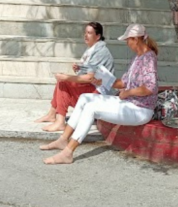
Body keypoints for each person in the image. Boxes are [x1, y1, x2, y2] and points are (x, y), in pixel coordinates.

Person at [40, 23, 159, 165]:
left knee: (91, 108)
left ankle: (68, 153)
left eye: (128, 40)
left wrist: (128, 93)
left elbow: (150, 87)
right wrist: (101, 81)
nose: (127, 43)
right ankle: (63, 139)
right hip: (129, 103)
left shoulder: (148, 58)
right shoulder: (137, 58)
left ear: (136, 39)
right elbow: (122, 83)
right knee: (85, 98)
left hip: (140, 109)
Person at [35, 22, 115, 132]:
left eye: (90, 33)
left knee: (63, 82)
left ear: (98, 36)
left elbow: (90, 78)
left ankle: (60, 122)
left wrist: (67, 78)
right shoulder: (93, 49)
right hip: (92, 87)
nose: (86, 35)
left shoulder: (100, 51)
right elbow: (90, 71)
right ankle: (52, 114)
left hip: (98, 93)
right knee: (62, 80)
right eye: (85, 32)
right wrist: (79, 68)